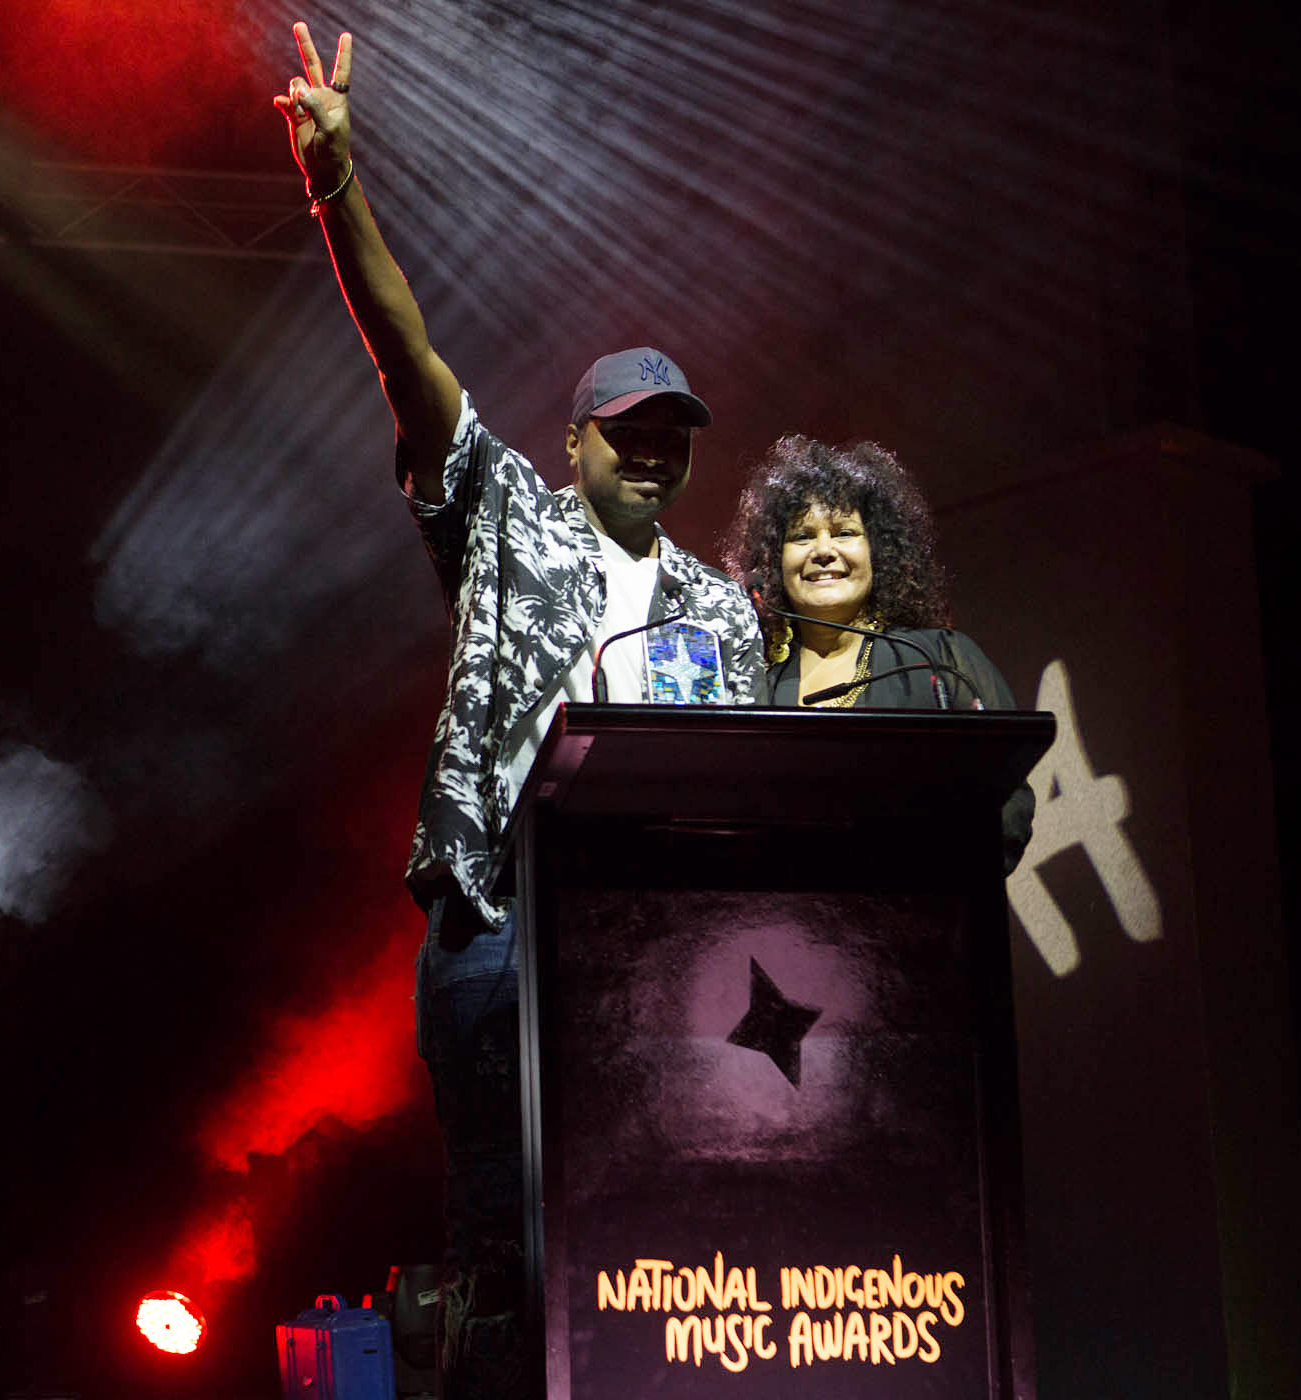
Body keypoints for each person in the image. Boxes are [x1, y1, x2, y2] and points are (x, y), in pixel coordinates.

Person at [274, 24, 763, 1398]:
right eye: (630, 430)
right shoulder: (507, 520)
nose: (654, 453)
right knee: (507, 1251)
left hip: (661, 947)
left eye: (673, 437)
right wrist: (336, 184)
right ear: (575, 439)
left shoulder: (722, 610)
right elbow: (408, 359)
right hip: (501, 925)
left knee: (657, 1241)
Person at [721, 435, 1035, 870]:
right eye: (802, 536)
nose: (823, 551)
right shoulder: (755, 681)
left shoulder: (940, 659)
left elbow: (1007, 804)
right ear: (774, 560)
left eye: (845, 533)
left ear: (879, 550)